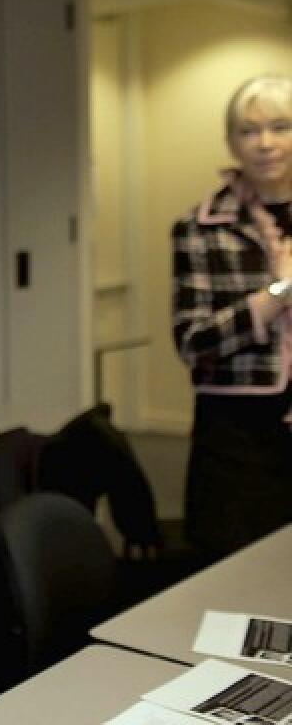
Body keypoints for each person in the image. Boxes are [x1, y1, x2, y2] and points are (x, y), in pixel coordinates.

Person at [172, 74, 292, 561]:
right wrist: (276, 295)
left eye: (280, 126)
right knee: (230, 584)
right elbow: (192, 342)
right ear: (231, 142)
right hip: (237, 439)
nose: (265, 143)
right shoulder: (200, 227)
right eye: (249, 130)